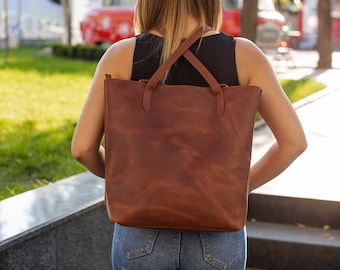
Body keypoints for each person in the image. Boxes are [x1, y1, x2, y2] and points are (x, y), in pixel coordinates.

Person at [71, 0, 307, 269]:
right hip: (217, 229)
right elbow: (293, 143)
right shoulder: (244, 55)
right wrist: (237, 188)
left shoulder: (121, 55)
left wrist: (121, 177)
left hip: (141, 226)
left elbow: (82, 149)